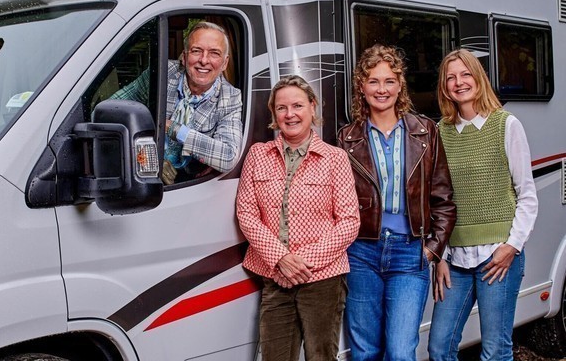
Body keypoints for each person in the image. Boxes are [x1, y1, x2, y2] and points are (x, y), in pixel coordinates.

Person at [337, 44, 456, 360]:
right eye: (373, 81)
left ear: (400, 84)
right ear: (361, 87)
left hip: (409, 252)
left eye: (389, 80)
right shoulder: (346, 139)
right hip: (361, 253)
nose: (381, 89)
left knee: (401, 351)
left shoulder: (424, 132)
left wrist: (431, 250)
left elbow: (443, 199)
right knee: (365, 352)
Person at [236, 75, 360, 361]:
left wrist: (302, 262)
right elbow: (246, 213)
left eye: (297, 105)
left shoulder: (335, 158)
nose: (290, 114)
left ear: (312, 107)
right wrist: (281, 258)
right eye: (281, 108)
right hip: (275, 277)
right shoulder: (258, 155)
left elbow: (349, 222)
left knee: (321, 356)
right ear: (274, 113)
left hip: (323, 280)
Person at [428, 49, 538, 361]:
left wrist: (512, 246)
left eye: (465, 74)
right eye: (450, 77)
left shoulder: (506, 125)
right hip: (456, 262)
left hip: (498, 258)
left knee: (495, 351)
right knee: (439, 347)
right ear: (444, 86)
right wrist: (440, 257)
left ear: (478, 78)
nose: (458, 82)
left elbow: (527, 194)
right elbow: (439, 202)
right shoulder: (440, 132)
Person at [111, 21, 243, 184]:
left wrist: (173, 129)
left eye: (214, 53)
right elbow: (110, 110)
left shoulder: (230, 96)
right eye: (196, 51)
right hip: (140, 176)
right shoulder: (161, 73)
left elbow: (228, 156)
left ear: (224, 63)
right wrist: (148, 158)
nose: (204, 60)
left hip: (189, 185)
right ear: (185, 56)